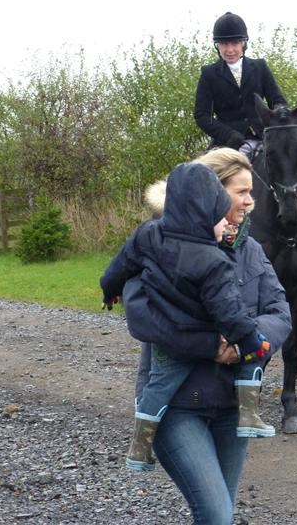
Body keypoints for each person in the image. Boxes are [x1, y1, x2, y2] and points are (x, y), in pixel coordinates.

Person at [138, 148, 290, 525]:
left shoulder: (251, 250)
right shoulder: (161, 246)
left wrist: (244, 345)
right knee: (217, 514)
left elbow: (280, 312)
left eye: (251, 192)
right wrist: (212, 345)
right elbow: (145, 319)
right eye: (241, 192)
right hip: (177, 406)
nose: (250, 201)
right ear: (212, 194)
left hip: (231, 407)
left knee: (220, 513)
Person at [99, 162, 278, 474]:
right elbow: (229, 314)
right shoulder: (214, 262)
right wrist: (253, 342)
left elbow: (119, 266)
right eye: (219, 218)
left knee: (158, 387)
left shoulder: (148, 235)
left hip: (168, 345)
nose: (225, 225)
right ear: (205, 216)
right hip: (200, 338)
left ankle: (140, 447)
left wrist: (109, 290)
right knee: (252, 356)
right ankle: (249, 413)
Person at [194, 11, 287, 158]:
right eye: (224, 44)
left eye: (235, 43)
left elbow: (277, 100)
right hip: (228, 144)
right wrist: (228, 134)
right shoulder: (209, 74)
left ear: (243, 43)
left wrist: (280, 112)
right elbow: (202, 115)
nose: (230, 50)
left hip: (263, 138)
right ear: (217, 46)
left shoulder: (260, 67)